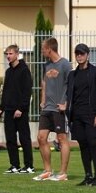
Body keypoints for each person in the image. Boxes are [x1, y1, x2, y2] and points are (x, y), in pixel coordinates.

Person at [33, 37, 72, 182]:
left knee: (62, 139)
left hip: (58, 109)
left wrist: (65, 103)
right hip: (47, 108)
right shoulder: (46, 65)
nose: (42, 51)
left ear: (50, 49)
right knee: (41, 138)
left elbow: (71, 85)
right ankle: (48, 170)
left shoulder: (65, 64)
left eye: (43, 48)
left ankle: (63, 173)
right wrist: (42, 100)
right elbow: (44, 82)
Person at [66, 43, 96, 186]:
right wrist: (68, 112)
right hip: (77, 115)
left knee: (93, 143)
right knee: (83, 144)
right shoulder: (72, 74)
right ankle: (88, 175)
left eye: (82, 54)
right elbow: (70, 94)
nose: (79, 56)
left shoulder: (95, 72)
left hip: (91, 114)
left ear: (88, 55)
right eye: (77, 54)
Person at [0, 44, 34, 175]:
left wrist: (21, 108)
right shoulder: (8, 71)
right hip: (9, 110)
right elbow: (6, 91)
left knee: (24, 138)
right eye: (6, 54)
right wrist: (2, 108)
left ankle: (29, 165)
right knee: (10, 139)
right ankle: (14, 165)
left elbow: (27, 91)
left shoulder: (24, 70)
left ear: (17, 54)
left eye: (10, 54)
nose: (8, 56)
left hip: (20, 111)